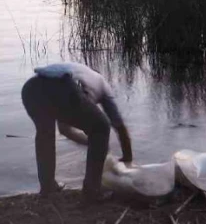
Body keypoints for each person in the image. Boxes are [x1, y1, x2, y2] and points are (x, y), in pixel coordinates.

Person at [20, 61, 133, 200]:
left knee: (45, 134)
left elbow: (65, 130)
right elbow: (119, 126)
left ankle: (48, 187)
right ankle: (92, 190)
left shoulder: (82, 73)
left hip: (31, 89)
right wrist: (127, 158)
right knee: (102, 127)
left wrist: (92, 144)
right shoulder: (103, 86)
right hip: (63, 86)